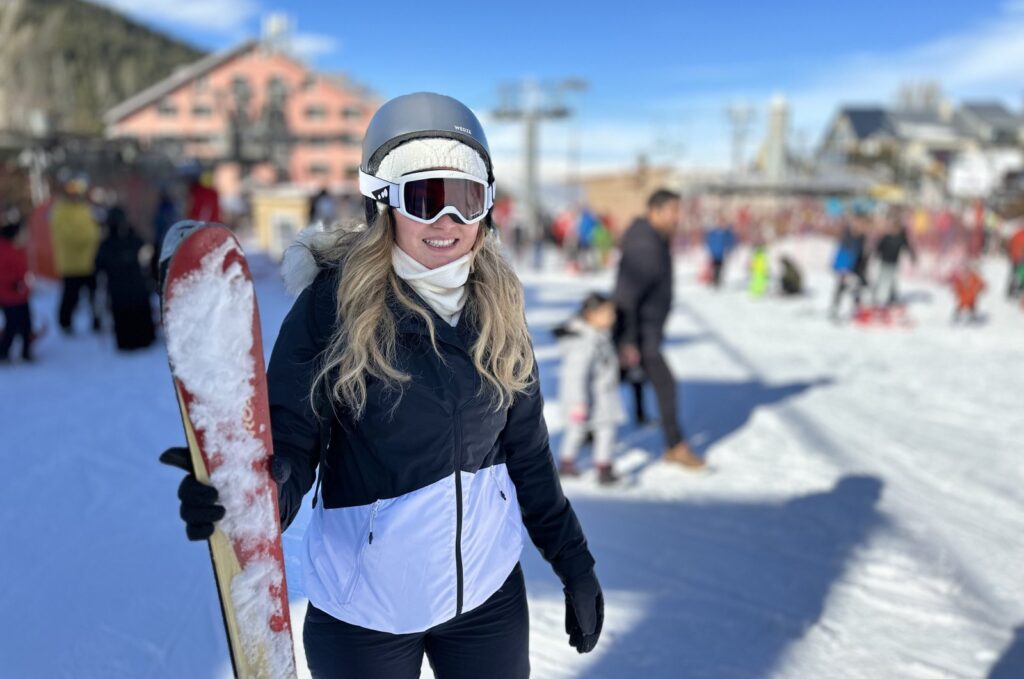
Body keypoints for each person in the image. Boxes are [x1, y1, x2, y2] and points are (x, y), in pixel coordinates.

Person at [160, 92, 602, 678]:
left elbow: (527, 451)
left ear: (487, 209)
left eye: (464, 199)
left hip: (488, 602)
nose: (446, 222)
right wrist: (248, 495)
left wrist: (574, 562)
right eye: (424, 198)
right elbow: (290, 442)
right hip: (364, 615)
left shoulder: (499, 307)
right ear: (384, 204)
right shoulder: (334, 305)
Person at [614, 188, 704, 469]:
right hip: (641, 330)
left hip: (643, 328)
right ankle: (675, 446)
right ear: (654, 211)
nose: (678, 217)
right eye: (673, 211)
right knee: (666, 385)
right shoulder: (646, 245)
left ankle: (590, 429)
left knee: (612, 379)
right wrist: (627, 340)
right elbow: (626, 295)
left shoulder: (653, 238)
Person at [554, 293, 625, 484]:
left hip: (600, 397)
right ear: (590, 315)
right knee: (579, 430)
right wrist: (578, 402)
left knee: (603, 429)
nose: (612, 318)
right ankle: (571, 464)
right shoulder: (584, 342)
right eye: (607, 314)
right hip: (587, 399)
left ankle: (601, 466)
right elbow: (575, 375)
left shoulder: (598, 336)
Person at [95, 207, 156, 350]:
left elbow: (98, 266)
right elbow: (149, 256)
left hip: (120, 294)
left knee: (126, 319)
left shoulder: (106, 244)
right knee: (139, 317)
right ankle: (144, 338)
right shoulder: (134, 239)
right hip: (137, 291)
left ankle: (131, 341)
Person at [50, 175, 101, 333]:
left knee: (95, 295)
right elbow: (65, 235)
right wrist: (88, 238)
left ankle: (96, 321)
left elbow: (94, 228)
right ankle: (65, 323)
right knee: (71, 296)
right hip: (71, 263)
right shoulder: (60, 211)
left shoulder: (85, 208)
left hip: (90, 261)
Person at [0, 212, 33, 363]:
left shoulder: (18, 249)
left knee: (26, 324)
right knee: (12, 327)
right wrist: (13, 283)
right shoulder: (4, 251)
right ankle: (4, 353)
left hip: (22, 295)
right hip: (9, 297)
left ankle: (26, 351)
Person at [872, 208, 917, 307]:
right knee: (881, 279)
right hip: (884, 261)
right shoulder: (886, 237)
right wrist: (874, 254)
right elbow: (879, 247)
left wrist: (912, 256)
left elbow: (907, 247)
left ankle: (891, 298)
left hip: (893, 262)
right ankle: (875, 298)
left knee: (891, 280)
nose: (894, 229)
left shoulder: (901, 238)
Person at [830, 209, 869, 320]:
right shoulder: (848, 235)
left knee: (858, 290)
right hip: (846, 268)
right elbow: (842, 252)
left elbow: (862, 254)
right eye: (858, 222)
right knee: (842, 289)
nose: (861, 225)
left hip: (858, 268)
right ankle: (835, 309)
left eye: (863, 223)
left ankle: (857, 311)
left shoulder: (862, 236)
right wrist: (841, 268)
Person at [705, 215, 736, 288]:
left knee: (720, 267)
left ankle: (717, 281)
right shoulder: (713, 233)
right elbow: (710, 242)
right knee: (715, 268)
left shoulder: (725, 232)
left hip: (721, 253)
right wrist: (711, 250)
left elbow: (729, 241)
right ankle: (715, 281)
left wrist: (728, 249)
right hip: (714, 253)